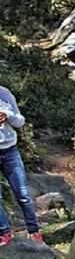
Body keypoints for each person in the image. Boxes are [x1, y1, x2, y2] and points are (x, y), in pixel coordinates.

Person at [0, 87, 41, 244]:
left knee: (23, 194)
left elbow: (20, 121)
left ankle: (33, 230)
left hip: (10, 151)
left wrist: (8, 115)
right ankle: (4, 233)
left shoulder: (4, 93)